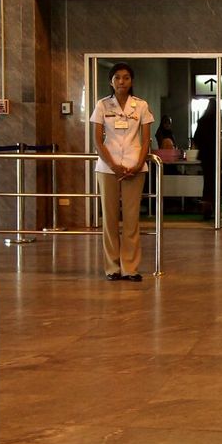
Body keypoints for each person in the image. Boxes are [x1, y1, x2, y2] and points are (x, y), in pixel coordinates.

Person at [90, 62, 153, 281]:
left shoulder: (141, 106)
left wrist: (137, 164)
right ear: (111, 81)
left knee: (131, 218)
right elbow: (98, 140)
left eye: (126, 78)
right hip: (108, 168)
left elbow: (146, 139)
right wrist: (114, 166)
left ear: (131, 81)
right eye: (117, 78)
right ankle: (112, 267)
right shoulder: (102, 105)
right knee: (109, 218)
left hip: (135, 167)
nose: (121, 82)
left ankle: (130, 267)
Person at [192, 98, 217, 221]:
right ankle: (213, 208)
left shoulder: (202, 121)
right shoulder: (216, 121)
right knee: (214, 183)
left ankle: (206, 209)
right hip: (214, 156)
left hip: (205, 156)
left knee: (207, 183)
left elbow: (196, 138)